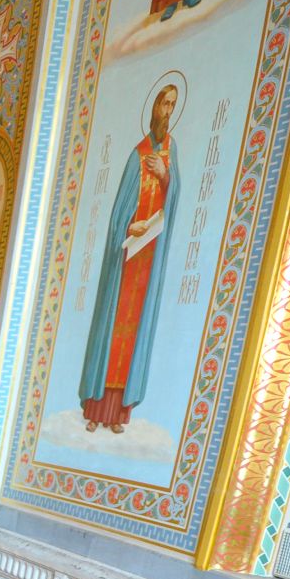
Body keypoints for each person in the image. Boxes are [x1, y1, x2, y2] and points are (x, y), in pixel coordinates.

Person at [79, 82, 181, 433]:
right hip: (126, 260)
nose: (167, 111)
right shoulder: (136, 155)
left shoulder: (170, 153)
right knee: (111, 330)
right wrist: (130, 227)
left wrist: (166, 175)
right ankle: (95, 410)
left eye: (172, 105)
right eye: (163, 104)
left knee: (133, 334)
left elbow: (174, 196)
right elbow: (119, 211)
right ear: (154, 108)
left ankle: (119, 414)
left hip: (148, 260)